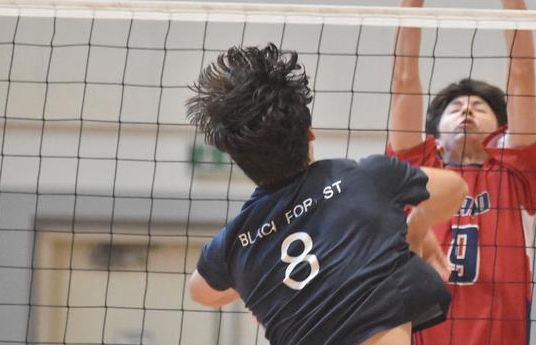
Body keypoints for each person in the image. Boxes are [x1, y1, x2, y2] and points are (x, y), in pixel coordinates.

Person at [185, 44, 468, 345]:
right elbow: (456, 188)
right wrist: (418, 225)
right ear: (309, 132)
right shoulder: (367, 178)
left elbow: (199, 291)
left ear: (237, 157)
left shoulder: (233, 245)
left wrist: (258, 279)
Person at [386, 0, 536, 344]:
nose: (468, 110)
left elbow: (523, 75)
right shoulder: (415, 169)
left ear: (501, 129)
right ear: (434, 134)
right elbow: (404, 79)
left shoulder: (513, 171)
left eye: (481, 107)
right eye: (456, 106)